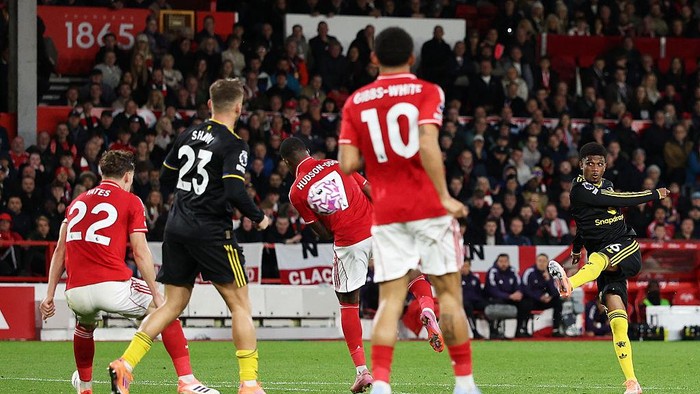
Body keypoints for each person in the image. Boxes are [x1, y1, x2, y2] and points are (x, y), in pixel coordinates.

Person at [338, 27, 479, 394]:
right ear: (412, 58)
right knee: (448, 297)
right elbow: (428, 143)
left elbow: (348, 162)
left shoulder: (355, 102)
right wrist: (445, 196)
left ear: (373, 58)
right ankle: (464, 384)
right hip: (429, 209)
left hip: (387, 214)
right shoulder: (429, 91)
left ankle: (382, 385)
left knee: (388, 301)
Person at [108, 79, 271, 394]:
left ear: (210, 105)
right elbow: (236, 190)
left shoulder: (186, 136)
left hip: (177, 226)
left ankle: (125, 365)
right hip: (210, 229)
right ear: (239, 107)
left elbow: (167, 176)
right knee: (240, 305)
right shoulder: (234, 144)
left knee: (171, 305)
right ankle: (249, 383)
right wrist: (258, 216)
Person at [39, 151, 217, 394]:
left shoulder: (76, 202)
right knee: (165, 310)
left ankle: (85, 388)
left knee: (85, 326)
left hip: (75, 290)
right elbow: (140, 252)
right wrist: (156, 292)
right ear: (126, 176)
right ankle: (186, 381)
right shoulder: (130, 200)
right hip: (112, 285)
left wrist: (49, 295)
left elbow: (59, 250)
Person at [281, 137, 443, 393]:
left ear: (287, 162)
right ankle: (427, 309)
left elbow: (323, 234)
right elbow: (369, 189)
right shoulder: (336, 163)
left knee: (348, 303)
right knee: (412, 272)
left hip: (348, 242)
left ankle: (362, 372)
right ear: (308, 152)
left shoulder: (296, 192)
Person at [548, 142, 670, 394]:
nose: (595, 168)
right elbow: (589, 221)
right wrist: (653, 194)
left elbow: (607, 205)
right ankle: (632, 382)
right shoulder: (580, 189)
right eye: (590, 162)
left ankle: (570, 283)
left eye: (600, 163)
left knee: (598, 259)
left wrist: (575, 248)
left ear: (606, 166)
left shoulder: (606, 185)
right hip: (603, 259)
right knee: (618, 322)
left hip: (625, 247)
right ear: (581, 165)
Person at [484, 253, 529, 339]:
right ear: (497, 262)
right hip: (495, 298)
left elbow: (519, 285)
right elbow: (492, 290)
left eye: (505, 261)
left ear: (509, 262)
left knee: (525, 303)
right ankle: (494, 330)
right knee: (497, 302)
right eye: (501, 261)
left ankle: (519, 330)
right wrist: (508, 296)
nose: (503, 264)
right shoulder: (493, 272)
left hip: (510, 297)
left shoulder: (512, 271)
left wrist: (518, 293)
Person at [521, 254, 563, 337]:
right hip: (533, 300)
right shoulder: (530, 272)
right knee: (525, 302)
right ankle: (523, 329)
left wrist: (548, 280)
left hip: (545, 301)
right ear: (536, 262)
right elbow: (525, 289)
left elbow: (556, 292)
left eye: (544, 261)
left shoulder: (551, 273)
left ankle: (556, 329)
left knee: (557, 301)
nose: (542, 263)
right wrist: (539, 297)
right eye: (540, 261)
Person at [460, 259, 487, 339]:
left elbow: (479, 293)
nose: (464, 269)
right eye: (462, 266)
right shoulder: (456, 279)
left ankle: (494, 331)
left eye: (466, 266)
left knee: (489, 306)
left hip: (475, 302)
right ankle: (474, 331)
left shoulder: (475, 279)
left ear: (470, 267)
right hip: (463, 303)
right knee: (468, 306)